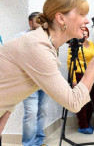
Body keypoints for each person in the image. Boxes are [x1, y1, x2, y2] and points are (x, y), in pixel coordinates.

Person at [0, 0, 94, 137]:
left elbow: (10, 81)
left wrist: (6, 113)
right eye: (81, 14)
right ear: (61, 18)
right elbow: (74, 102)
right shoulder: (37, 46)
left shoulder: (46, 43)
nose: (86, 20)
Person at [16, 12, 49, 146]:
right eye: (38, 22)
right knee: (31, 113)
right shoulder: (20, 37)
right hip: (28, 83)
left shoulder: (47, 37)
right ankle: (28, 144)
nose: (41, 25)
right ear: (30, 23)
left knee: (42, 112)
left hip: (45, 82)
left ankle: (38, 141)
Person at [67, 27, 94, 134]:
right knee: (82, 101)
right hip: (80, 75)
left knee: (93, 99)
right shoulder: (74, 45)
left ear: (88, 34)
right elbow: (70, 63)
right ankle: (83, 125)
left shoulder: (92, 45)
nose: (84, 35)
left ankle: (88, 122)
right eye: (82, 33)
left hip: (92, 75)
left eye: (86, 33)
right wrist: (74, 80)